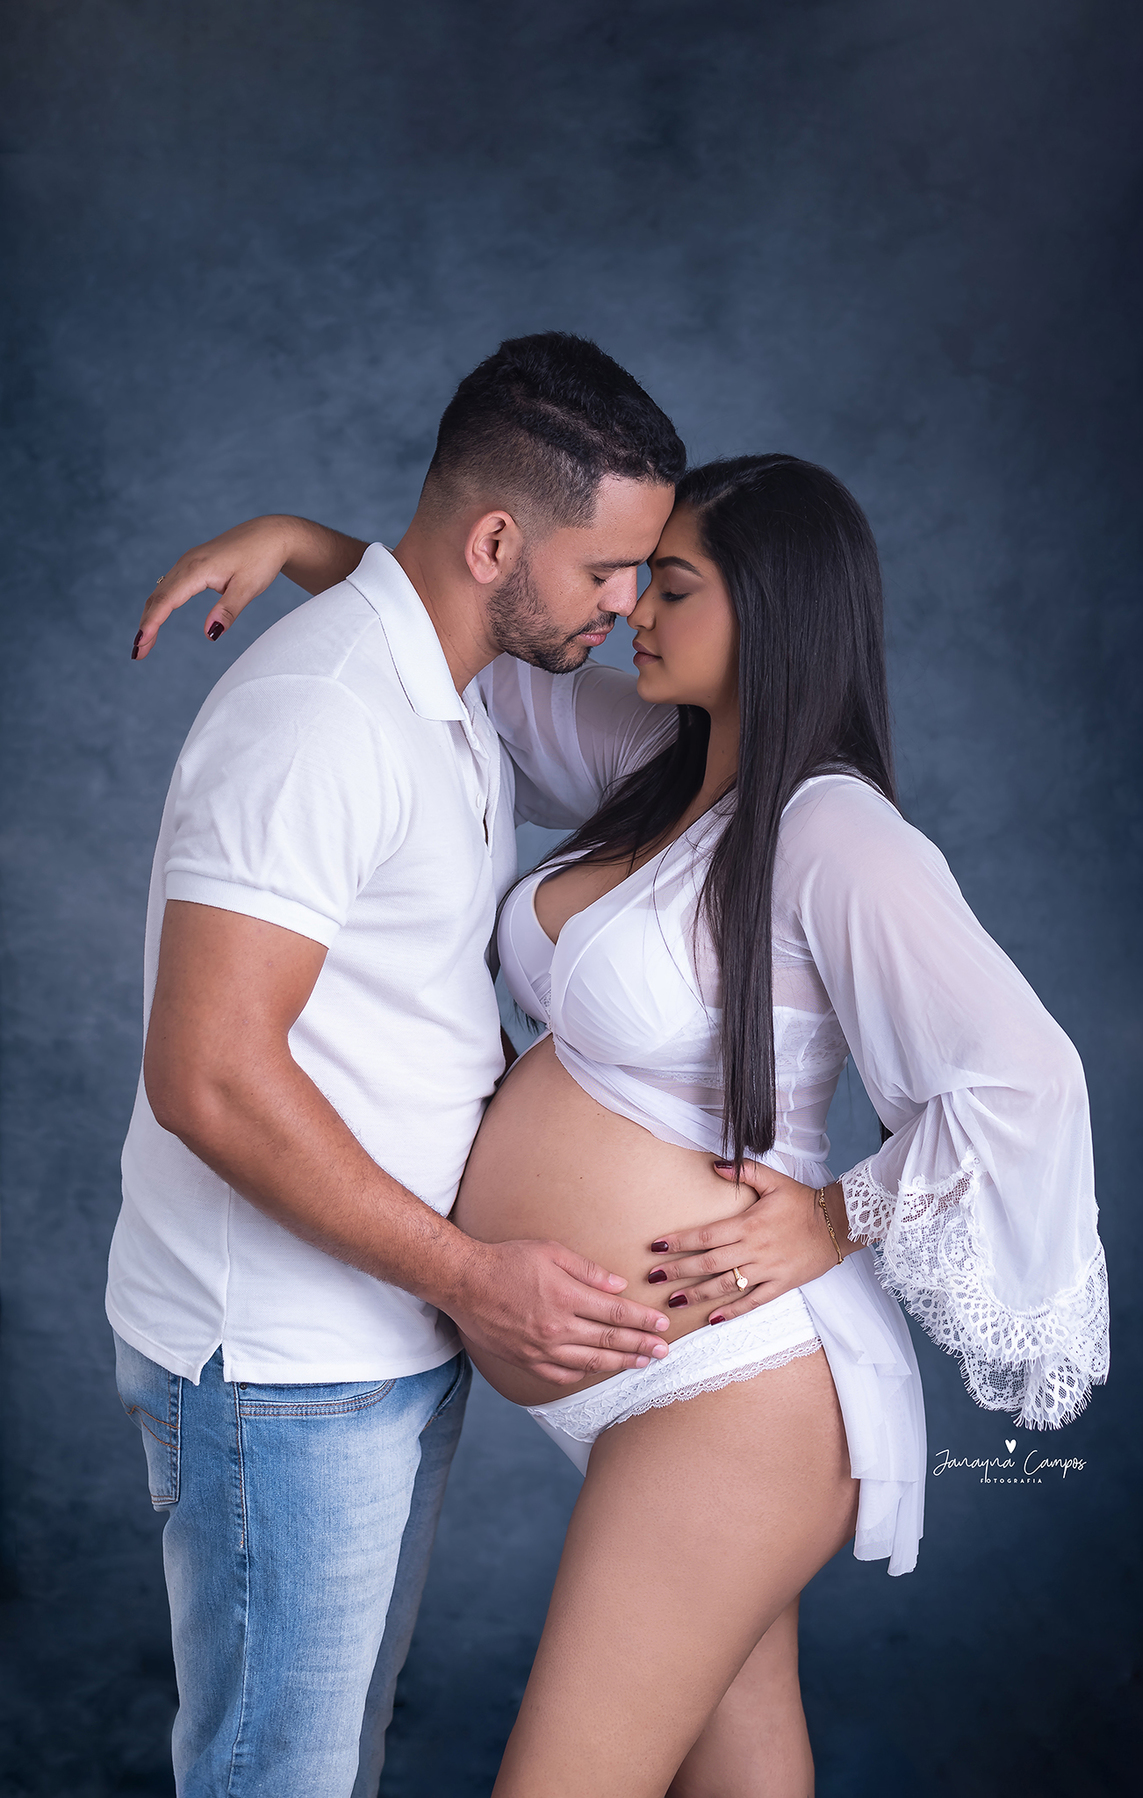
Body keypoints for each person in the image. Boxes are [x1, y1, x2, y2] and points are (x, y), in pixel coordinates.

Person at [138, 453, 1109, 1797]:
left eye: (676, 586)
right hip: (654, 1384)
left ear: (769, 612)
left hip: (732, 1395)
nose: (634, 610)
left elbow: (1028, 1078)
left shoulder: (833, 830)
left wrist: (841, 1215)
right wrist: (311, 544)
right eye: (639, 578)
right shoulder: (663, 758)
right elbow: (477, 650)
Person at [110, 331, 695, 1798]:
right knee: (279, 1778)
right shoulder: (321, 716)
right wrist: (471, 1274)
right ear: (496, 544)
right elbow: (208, 1074)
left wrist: (312, 539)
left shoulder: (450, 691)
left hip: (381, 1338)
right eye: (608, 570)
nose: (628, 605)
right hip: (286, 1370)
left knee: (331, 1761)